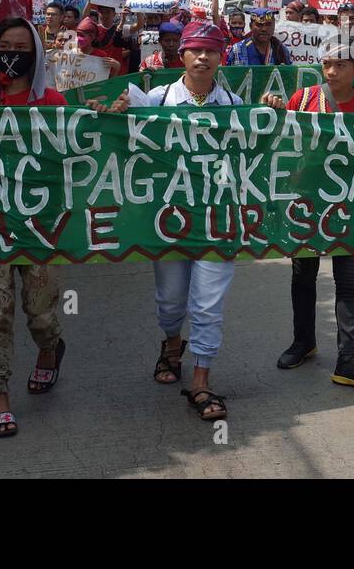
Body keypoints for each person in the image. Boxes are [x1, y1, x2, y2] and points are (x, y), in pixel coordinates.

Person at [112, 21, 242, 421]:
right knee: (171, 301)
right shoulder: (155, 99)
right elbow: (124, 143)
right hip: (167, 220)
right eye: (195, 50)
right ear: (182, 54)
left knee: (207, 305)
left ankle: (201, 379)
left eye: (211, 51)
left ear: (222, 58)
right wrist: (114, 114)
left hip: (217, 221)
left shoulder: (236, 108)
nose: (203, 57)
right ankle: (172, 345)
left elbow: (261, 153)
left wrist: (270, 111)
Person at [0, 17, 68, 436]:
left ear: (37, 54)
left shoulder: (53, 103)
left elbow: (76, 154)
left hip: (42, 229)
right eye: (5, 45)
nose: (13, 54)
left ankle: (49, 350)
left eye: (22, 48)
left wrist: (99, 116)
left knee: (39, 314)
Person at [262, 37, 354, 387]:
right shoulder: (304, 99)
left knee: (348, 281)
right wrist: (272, 108)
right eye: (326, 64)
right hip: (306, 204)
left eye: (340, 64)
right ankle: (304, 341)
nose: (331, 71)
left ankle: (348, 358)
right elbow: (283, 140)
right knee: (303, 274)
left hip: (349, 207)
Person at [226, 7, 292, 65]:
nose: (264, 29)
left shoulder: (282, 50)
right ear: (251, 26)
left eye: (268, 24)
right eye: (259, 25)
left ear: (274, 26)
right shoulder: (237, 49)